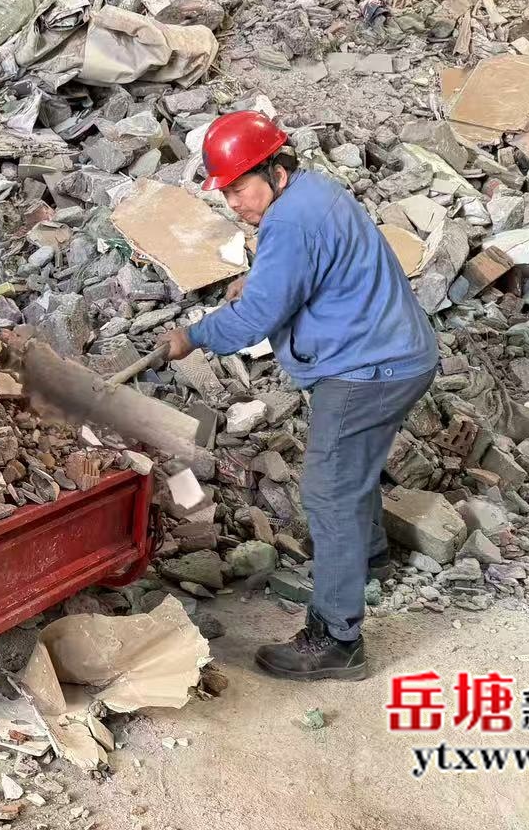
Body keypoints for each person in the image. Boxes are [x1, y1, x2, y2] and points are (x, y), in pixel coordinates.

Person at [155, 110, 438, 681]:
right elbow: (310, 267)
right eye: (225, 193)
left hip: (368, 369)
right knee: (349, 470)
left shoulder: (289, 221)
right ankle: (367, 556)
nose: (233, 202)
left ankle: (337, 639)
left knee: (329, 489)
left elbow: (253, 320)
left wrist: (193, 336)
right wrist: (259, 278)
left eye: (239, 188)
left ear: (275, 170)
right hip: (398, 352)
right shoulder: (313, 194)